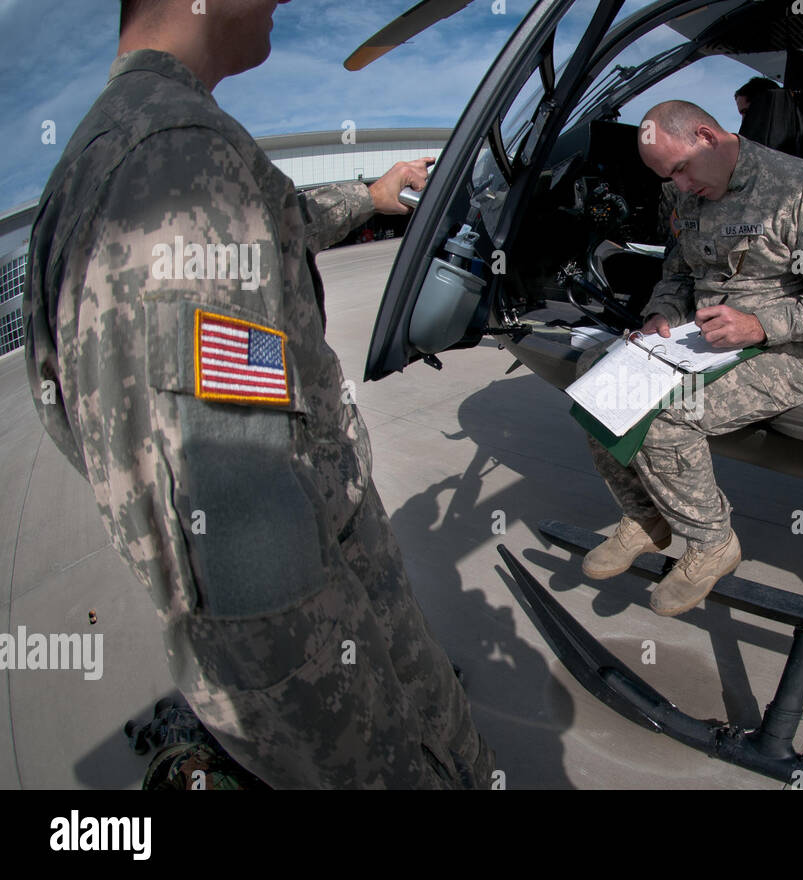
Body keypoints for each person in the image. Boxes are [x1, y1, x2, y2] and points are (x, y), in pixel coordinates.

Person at [23, 0, 493, 788]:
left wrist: (370, 196)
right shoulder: (174, 156)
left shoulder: (153, 140)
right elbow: (238, 542)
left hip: (337, 578)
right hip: (324, 636)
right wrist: (352, 740)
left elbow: (278, 220)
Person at [578, 101, 803, 616]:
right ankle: (647, 516)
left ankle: (712, 542)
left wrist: (760, 325)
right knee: (595, 381)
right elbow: (678, 270)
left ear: (707, 136)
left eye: (681, 169)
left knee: (667, 415)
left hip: (783, 349)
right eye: (667, 176)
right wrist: (661, 314)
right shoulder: (682, 189)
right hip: (703, 339)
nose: (680, 186)